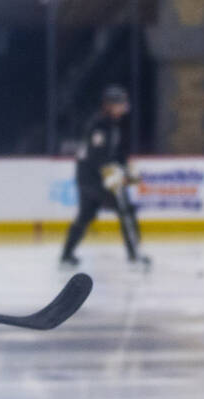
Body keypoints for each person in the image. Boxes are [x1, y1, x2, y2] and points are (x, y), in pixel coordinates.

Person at [59, 84, 150, 269]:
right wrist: (113, 176)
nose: (123, 107)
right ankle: (135, 255)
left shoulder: (112, 125)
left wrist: (126, 169)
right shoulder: (99, 125)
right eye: (119, 103)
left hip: (92, 177)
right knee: (125, 210)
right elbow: (96, 155)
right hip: (92, 179)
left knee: (85, 215)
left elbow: (116, 153)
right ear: (109, 105)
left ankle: (66, 255)